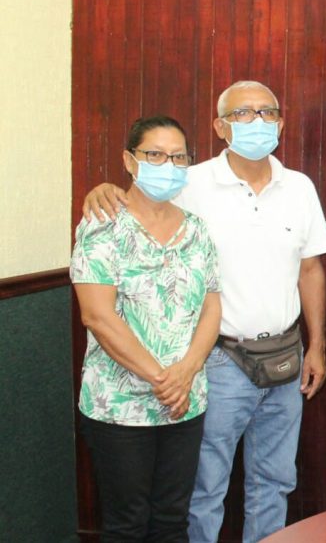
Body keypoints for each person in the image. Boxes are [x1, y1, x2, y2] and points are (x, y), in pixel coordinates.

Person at [83, 81, 326, 542]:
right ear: (220, 127)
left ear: (281, 123)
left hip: (286, 357)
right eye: (243, 113)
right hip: (217, 361)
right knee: (202, 490)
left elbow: (310, 269)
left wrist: (316, 345)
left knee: (275, 481)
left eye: (267, 112)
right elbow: (139, 204)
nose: (257, 121)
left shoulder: (299, 187)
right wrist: (103, 190)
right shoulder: (188, 181)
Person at [72, 115, 221, 542]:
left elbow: (212, 306)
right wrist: (163, 380)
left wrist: (186, 372)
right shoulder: (102, 226)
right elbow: (97, 316)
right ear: (129, 160)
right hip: (120, 405)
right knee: (128, 524)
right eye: (154, 154)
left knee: (173, 519)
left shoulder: (196, 230)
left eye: (178, 157)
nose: (167, 165)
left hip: (185, 401)